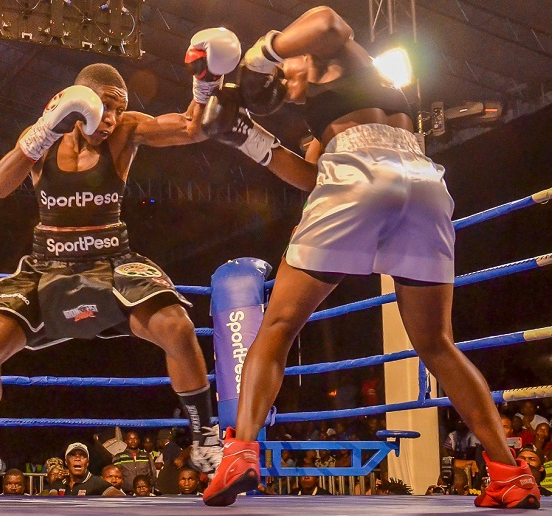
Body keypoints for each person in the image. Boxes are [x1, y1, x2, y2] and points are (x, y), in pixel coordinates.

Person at [201, 6, 542, 510]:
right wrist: (249, 139)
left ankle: (241, 451)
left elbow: (328, 20)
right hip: (423, 183)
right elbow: (309, 175)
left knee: (276, 327)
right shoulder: (337, 107)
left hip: (358, 175)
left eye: (280, 79)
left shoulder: (321, 52)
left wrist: (263, 51)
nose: (284, 92)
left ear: (287, 59)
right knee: (437, 343)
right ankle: (511, 475)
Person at [0, 27, 242, 500]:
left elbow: (193, 127)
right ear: (76, 100)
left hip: (113, 262)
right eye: (103, 105)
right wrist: (43, 131)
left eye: (118, 105)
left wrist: (204, 81)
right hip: (46, 267)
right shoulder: (44, 135)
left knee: (176, 326)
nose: (110, 116)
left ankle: (205, 439)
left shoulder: (128, 129)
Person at [52, 443, 124, 496]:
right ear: (66, 462)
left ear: (87, 463)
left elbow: (120, 497)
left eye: (82, 456)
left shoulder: (97, 483)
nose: (78, 458)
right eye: (73, 456)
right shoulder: (59, 483)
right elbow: (50, 502)